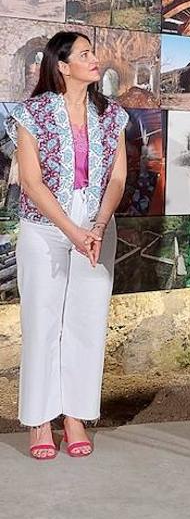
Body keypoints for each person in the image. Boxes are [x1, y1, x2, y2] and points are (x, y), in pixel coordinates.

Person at [7, 31, 128, 459]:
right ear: (62, 66)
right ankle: (41, 421)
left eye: (92, 52)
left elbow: (116, 178)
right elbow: (33, 182)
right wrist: (72, 232)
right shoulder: (31, 114)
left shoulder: (113, 115)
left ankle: (74, 417)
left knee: (86, 321)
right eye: (85, 54)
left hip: (96, 226)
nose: (95, 60)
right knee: (42, 324)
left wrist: (95, 225)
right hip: (45, 227)